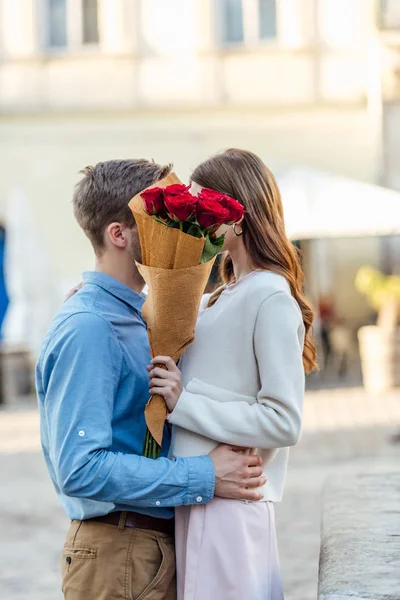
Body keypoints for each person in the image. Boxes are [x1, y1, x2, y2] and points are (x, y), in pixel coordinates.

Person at [36, 159, 267, 600]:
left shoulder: (136, 315)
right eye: (160, 221)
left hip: (145, 547)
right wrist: (204, 475)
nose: (178, 232)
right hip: (117, 550)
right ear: (119, 234)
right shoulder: (90, 325)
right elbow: (80, 469)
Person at [149, 149, 317, 599]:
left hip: (231, 506)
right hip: (198, 494)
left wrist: (186, 403)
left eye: (204, 207)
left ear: (237, 216)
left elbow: (284, 421)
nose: (196, 220)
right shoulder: (217, 297)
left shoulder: (270, 297)